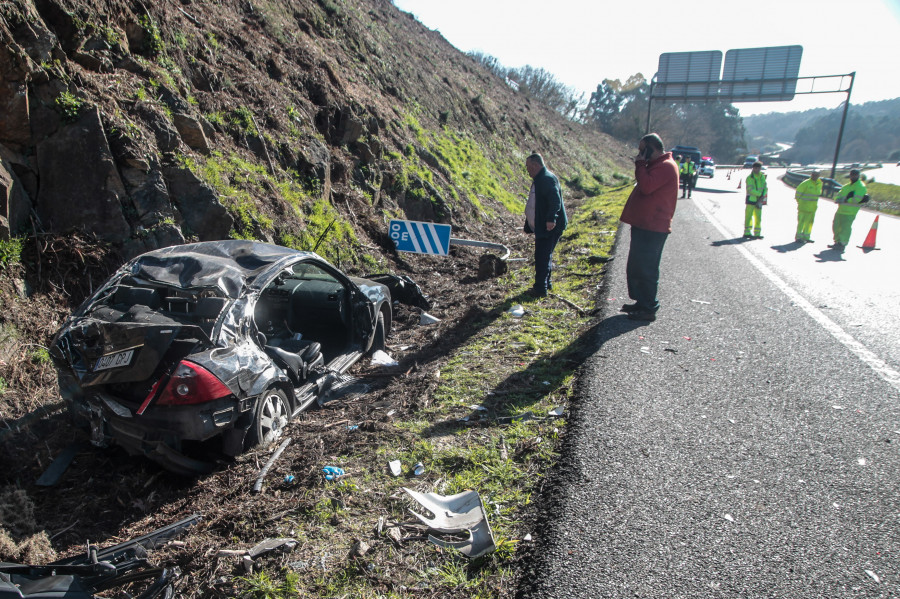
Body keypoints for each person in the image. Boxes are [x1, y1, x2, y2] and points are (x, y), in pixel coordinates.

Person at [619, 133, 679, 322]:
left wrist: (640, 164)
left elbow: (646, 186)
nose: (639, 153)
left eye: (642, 149)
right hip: (645, 225)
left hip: (654, 227)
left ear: (651, 149)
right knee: (636, 266)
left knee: (647, 268)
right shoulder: (656, 165)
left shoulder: (666, 166)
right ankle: (641, 302)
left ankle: (648, 308)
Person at [524, 153, 567, 297]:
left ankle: (540, 289)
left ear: (536, 166)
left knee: (542, 256)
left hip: (549, 226)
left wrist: (551, 219)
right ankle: (545, 284)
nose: (527, 170)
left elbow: (555, 201)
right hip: (544, 224)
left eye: (528, 167)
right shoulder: (541, 178)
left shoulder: (546, 179)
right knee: (545, 255)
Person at [829, 168, 869, 251]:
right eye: (852, 175)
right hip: (840, 210)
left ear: (858, 176)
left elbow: (856, 199)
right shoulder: (846, 186)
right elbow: (838, 195)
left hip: (850, 212)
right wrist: (838, 199)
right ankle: (837, 242)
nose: (853, 176)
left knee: (845, 228)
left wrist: (847, 199)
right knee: (836, 226)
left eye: (855, 175)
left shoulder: (860, 186)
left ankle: (842, 244)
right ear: (850, 175)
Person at [794, 170, 823, 243]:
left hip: (813, 208)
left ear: (819, 176)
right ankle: (799, 237)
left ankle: (806, 237)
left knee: (809, 223)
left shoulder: (819, 184)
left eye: (816, 175)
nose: (814, 176)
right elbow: (798, 194)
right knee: (801, 222)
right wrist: (800, 202)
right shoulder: (805, 183)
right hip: (803, 207)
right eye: (813, 174)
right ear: (811, 175)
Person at [743, 162, 767, 239]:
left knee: (758, 217)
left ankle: (757, 234)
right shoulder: (749, 178)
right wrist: (760, 194)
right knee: (748, 217)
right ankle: (747, 233)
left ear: (760, 168)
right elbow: (750, 190)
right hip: (751, 200)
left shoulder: (762, 177)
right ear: (753, 168)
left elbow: (765, 187)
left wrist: (762, 196)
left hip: (759, 200)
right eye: (755, 168)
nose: (756, 169)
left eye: (758, 168)